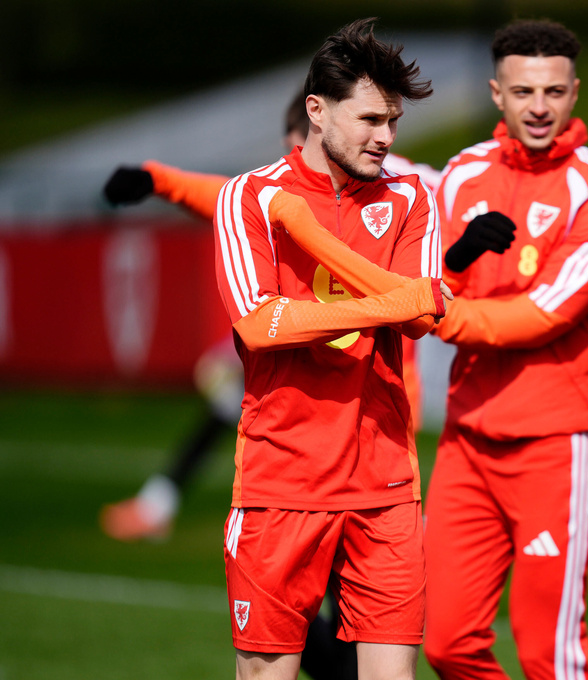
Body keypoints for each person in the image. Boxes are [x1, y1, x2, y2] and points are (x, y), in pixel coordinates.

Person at [212, 19, 449, 680]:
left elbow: (424, 320)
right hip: (279, 482)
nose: (388, 139)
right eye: (371, 119)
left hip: (386, 484)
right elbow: (260, 325)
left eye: (394, 121)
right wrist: (396, 302)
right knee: (267, 674)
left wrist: (406, 304)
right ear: (316, 111)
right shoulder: (251, 198)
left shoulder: (409, 200)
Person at [98, 90, 438, 543]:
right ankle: (160, 502)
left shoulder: (407, 187)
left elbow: (469, 202)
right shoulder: (286, 189)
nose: (295, 168)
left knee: (356, 546)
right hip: (304, 367)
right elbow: (236, 198)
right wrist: (160, 181)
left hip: (379, 387)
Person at [421, 20, 588, 680]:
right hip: (467, 439)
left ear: (574, 92)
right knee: (446, 644)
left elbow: (544, 314)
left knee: (550, 653)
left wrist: (441, 313)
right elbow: (428, 281)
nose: (538, 106)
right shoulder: (459, 176)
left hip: (554, 443)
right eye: (523, 91)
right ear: (496, 94)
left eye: (553, 91)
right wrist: (453, 264)